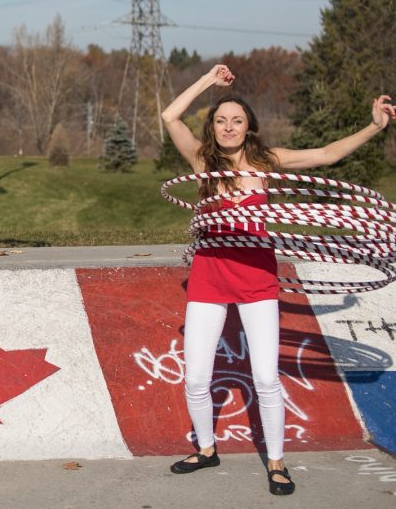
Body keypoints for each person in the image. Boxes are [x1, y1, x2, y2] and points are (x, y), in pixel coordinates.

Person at [161, 64, 393, 496]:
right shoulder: (201, 161)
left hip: (257, 281)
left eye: (237, 120)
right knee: (196, 377)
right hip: (209, 279)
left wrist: (373, 127)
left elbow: (326, 154)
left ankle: (276, 462)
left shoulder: (267, 162)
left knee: (266, 378)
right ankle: (206, 449)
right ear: (212, 127)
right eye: (221, 120)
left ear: (249, 129)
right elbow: (170, 117)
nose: (228, 127)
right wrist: (209, 83)